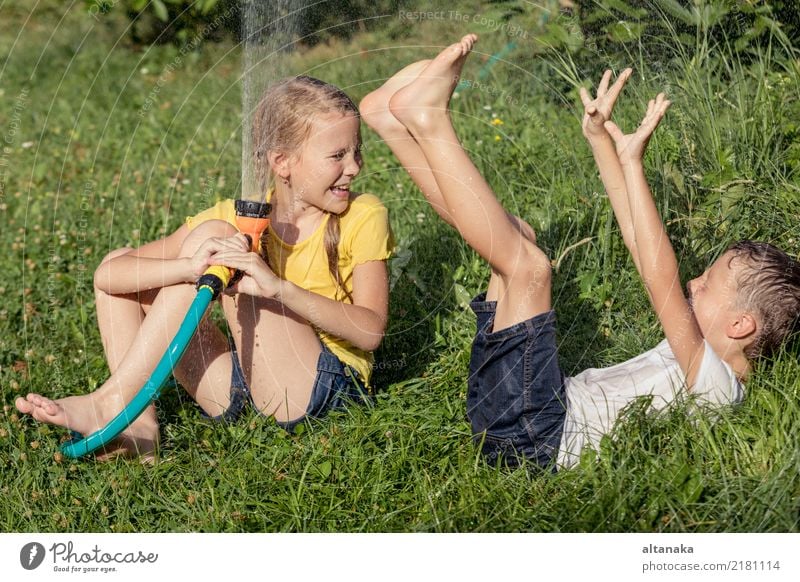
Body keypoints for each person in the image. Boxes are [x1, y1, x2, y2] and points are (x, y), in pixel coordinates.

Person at [360, 34, 800, 470]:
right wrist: (602, 142)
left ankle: (429, 120)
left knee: (529, 268)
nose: (691, 282)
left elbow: (658, 273)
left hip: (536, 437)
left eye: (706, 285)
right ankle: (396, 126)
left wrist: (632, 165)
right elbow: (637, 237)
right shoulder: (700, 357)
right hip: (523, 409)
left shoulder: (718, 388)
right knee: (516, 236)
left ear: (740, 325)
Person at [15, 75, 394, 458]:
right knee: (166, 252)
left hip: (320, 391)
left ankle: (111, 400)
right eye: (337, 156)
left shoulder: (363, 215)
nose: (354, 167)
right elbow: (109, 275)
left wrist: (278, 289)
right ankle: (140, 426)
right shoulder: (239, 216)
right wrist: (187, 268)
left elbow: (370, 332)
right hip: (240, 387)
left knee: (214, 239)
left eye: (356, 151)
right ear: (282, 162)